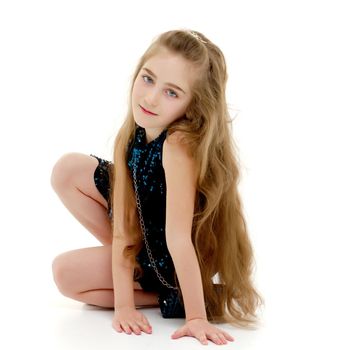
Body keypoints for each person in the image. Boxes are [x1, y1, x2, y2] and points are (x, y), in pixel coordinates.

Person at [50, 29, 264, 346]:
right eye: (148, 79)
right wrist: (123, 306)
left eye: (172, 93)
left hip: (171, 257)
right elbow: (123, 226)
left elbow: (177, 237)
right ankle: (160, 295)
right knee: (67, 171)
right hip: (143, 242)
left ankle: (181, 295)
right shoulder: (133, 134)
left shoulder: (177, 146)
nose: (150, 98)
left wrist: (195, 319)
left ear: (193, 106)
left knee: (64, 271)